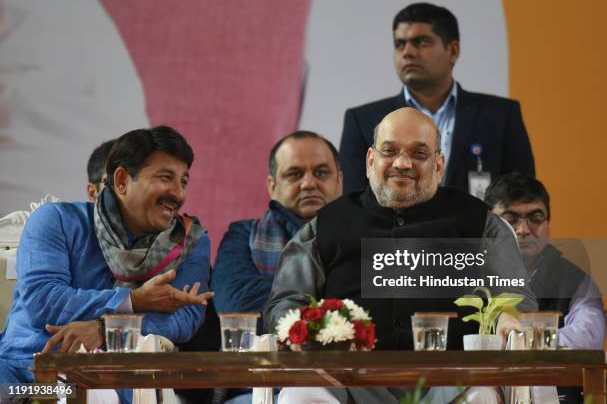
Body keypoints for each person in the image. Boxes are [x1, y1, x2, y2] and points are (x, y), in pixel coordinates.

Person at [265, 108, 537, 404]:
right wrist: (310, 331)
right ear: (370, 161)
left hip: (451, 380)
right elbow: (286, 302)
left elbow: (515, 296)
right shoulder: (326, 224)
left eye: (419, 153)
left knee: (480, 397)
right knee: (300, 395)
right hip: (345, 380)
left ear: (438, 166)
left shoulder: (479, 222)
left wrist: (509, 318)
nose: (402, 163)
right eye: (389, 151)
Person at [0, 126, 213, 402]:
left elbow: (184, 318)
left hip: (110, 379)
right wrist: (133, 301)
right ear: (122, 180)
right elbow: (43, 300)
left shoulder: (188, 241)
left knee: (93, 396)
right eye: (165, 178)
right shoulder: (56, 221)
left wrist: (105, 329)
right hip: (21, 371)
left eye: (184, 181)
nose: (178, 193)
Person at [339, 2, 535, 195]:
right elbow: (354, 202)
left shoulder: (499, 116)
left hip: (476, 227)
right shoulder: (363, 120)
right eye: (400, 44)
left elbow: (522, 197)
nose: (407, 52)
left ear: (453, 51)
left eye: (421, 42)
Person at [212, 131, 343, 318]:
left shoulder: (366, 235)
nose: (308, 184)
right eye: (294, 174)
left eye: (321, 173)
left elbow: (380, 307)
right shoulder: (243, 235)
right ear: (272, 187)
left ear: (339, 181)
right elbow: (235, 303)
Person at [484, 173, 607, 350]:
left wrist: (526, 340)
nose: (523, 230)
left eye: (535, 218)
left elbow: (590, 335)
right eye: (510, 220)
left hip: (551, 377)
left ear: (548, 224)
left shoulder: (574, 279)